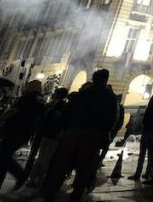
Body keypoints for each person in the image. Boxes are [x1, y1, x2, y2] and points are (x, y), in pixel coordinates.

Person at [41, 69, 118, 202]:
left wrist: (66, 129)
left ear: (93, 79)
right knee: (84, 166)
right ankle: (76, 195)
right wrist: (103, 134)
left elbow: (67, 112)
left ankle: (51, 192)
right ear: (106, 80)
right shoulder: (109, 97)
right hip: (93, 134)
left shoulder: (82, 94)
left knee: (62, 164)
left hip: (74, 132)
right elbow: (111, 119)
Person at [0, 80, 44, 196]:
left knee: (2, 157)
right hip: (25, 132)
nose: (26, 87)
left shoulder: (27, 97)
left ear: (32, 87)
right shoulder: (41, 100)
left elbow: (12, 111)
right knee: (4, 157)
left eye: (28, 85)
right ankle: (1, 184)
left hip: (15, 130)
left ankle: (15, 177)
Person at [26, 88, 69, 189]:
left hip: (52, 135)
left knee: (44, 159)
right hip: (47, 134)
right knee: (42, 157)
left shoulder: (60, 106)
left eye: (56, 93)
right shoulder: (54, 105)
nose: (53, 94)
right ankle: (35, 179)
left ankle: (37, 180)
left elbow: (56, 119)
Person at [129, 91, 153, 182]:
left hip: (147, 133)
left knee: (142, 154)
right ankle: (147, 173)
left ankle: (137, 174)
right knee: (151, 154)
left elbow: (144, 121)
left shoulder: (150, 108)